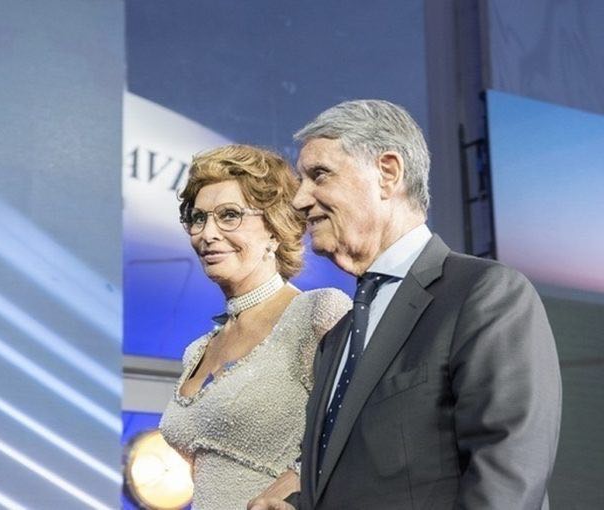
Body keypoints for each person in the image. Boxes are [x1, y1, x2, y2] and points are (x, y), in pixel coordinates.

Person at [249, 100, 562, 510]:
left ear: (388, 173)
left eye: (319, 175)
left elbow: (508, 476)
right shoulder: (337, 339)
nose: (300, 200)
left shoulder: (484, 294)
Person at [159, 144, 351, 509]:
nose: (207, 234)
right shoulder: (197, 351)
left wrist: (298, 477)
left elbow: (364, 430)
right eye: (198, 218)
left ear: (275, 229)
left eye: (229, 215)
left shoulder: (317, 312)